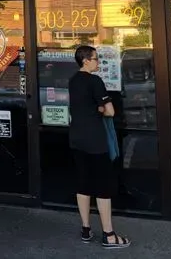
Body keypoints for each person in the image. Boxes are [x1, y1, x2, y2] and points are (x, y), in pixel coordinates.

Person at [68, 45, 130, 248]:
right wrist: (101, 108)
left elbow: (80, 107)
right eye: (96, 59)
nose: (99, 62)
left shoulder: (73, 80)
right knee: (103, 186)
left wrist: (97, 107)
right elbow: (111, 111)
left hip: (77, 137)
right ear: (86, 60)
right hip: (95, 139)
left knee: (83, 183)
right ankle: (109, 235)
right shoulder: (94, 81)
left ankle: (86, 229)